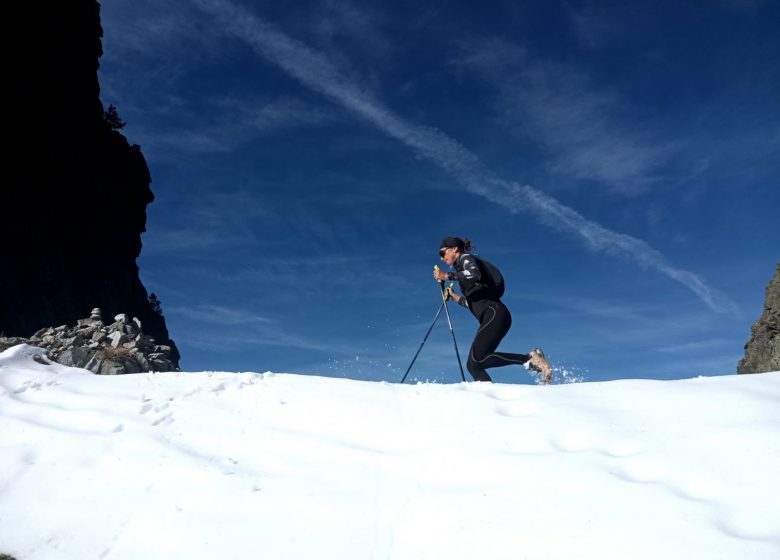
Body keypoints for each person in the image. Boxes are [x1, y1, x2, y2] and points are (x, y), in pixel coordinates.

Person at [433, 236, 552, 384]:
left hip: (494, 313)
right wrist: (453, 296)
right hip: (494, 315)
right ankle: (487, 399)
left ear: (454, 249)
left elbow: (475, 273)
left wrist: (447, 275)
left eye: (442, 253)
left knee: (476, 360)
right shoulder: (465, 276)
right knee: (474, 365)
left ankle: (529, 359)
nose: (442, 258)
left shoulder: (465, 258)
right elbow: (471, 303)